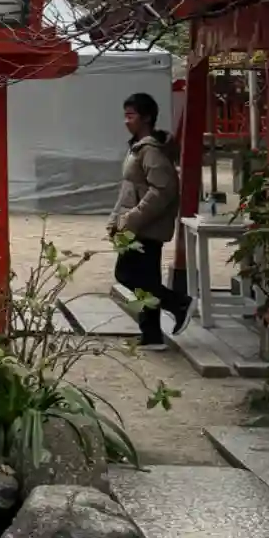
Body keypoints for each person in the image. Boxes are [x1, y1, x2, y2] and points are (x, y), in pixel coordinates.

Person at [109, 90, 192, 348]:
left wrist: (131, 218)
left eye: (131, 115)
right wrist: (115, 219)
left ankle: (178, 303)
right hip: (134, 224)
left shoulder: (151, 151)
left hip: (145, 226)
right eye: (125, 115)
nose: (126, 121)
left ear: (146, 118)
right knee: (145, 279)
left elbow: (163, 190)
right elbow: (129, 189)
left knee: (126, 274)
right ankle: (152, 334)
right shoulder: (138, 147)